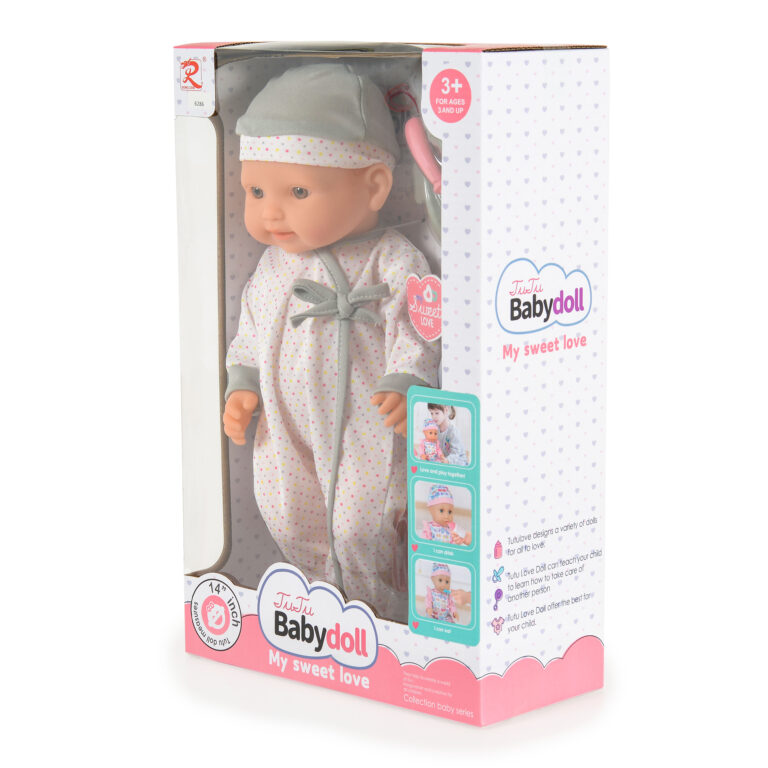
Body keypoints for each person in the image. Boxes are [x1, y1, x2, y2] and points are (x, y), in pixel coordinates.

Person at [222, 64, 440, 622]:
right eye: (255, 191)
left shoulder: (391, 257)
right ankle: (317, 607)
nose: (270, 210)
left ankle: (379, 613)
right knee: (288, 511)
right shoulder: (273, 267)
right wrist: (242, 385)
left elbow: (416, 324)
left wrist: (407, 379)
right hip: (284, 426)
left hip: (364, 425)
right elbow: (251, 330)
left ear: (374, 186)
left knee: (361, 521)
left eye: (297, 191)